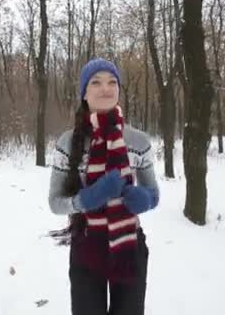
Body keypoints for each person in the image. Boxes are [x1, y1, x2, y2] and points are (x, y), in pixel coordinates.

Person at [48, 58, 160, 315]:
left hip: (129, 246)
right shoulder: (67, 142)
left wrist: (145, 199)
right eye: (96, 82)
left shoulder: (138, 140)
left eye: (112, 82)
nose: (105, 88)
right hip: (87, 246)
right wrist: (88, 199)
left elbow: (154, 193)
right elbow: (55, 202)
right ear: (84, 93)